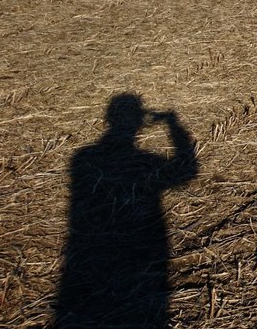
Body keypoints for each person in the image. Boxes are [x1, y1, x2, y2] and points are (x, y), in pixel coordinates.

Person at [56, 94, 197, 328]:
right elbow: (187, 171)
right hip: (143, 251)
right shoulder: (145, 160)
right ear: (140, 121)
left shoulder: (83, 157)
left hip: (86, 256)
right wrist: (173, 124)